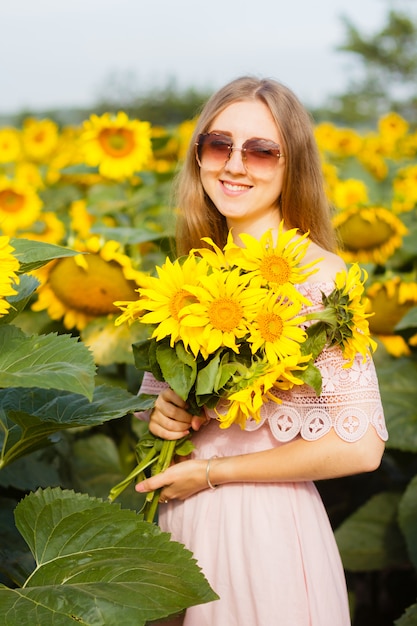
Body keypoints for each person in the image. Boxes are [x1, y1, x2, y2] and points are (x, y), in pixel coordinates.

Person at [135, 76, 387, 626]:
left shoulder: (321, 279)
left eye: (261, 151)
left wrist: (210, 474)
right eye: (218, 144)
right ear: (198, 154)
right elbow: (156, 410)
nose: (234, 165)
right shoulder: (194, 271)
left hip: (261, 530)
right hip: (182, 526)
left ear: (291, 164)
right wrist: (165, 413)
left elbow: (361, 447)